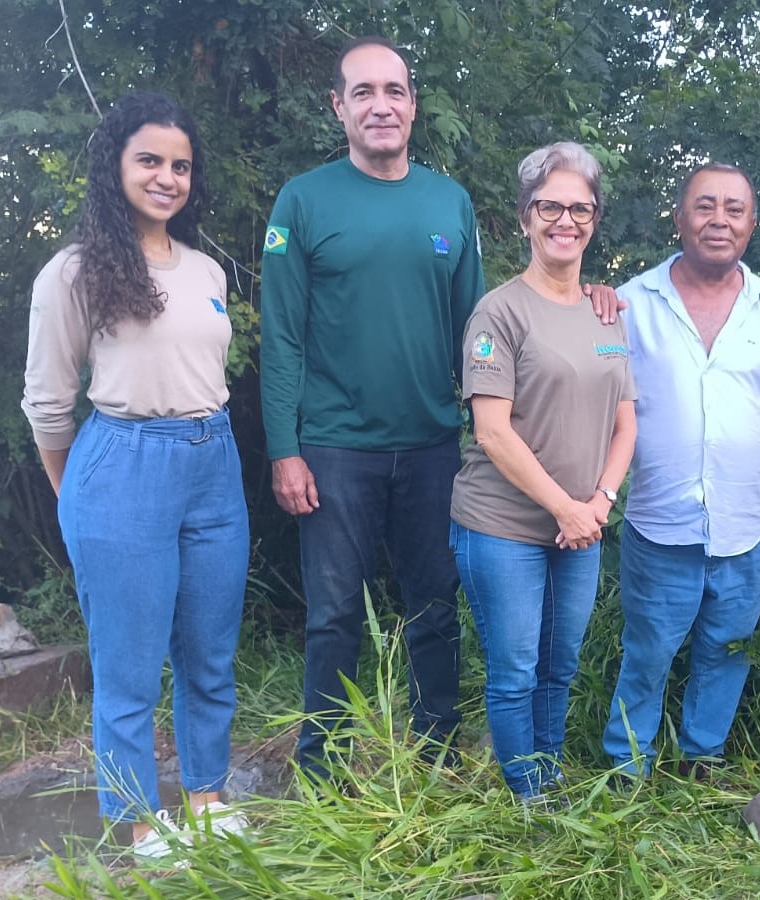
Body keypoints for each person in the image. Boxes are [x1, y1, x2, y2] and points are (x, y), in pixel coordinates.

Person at [22, 92, 249, 859]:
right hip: (122, 463)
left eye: (180, 165)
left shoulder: (206, 268)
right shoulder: (74, 273)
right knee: (128, 666)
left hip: (214, 463)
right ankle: (139, 820)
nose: (167, 177)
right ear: (115, 165)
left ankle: (208, 796)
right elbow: (48, 405)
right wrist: (73, 496)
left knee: (209, 650)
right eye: (149, 159)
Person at [259, 37, 484, 774]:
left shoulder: (448, 202)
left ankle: (438, 749)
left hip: (432, 444)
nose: (381, 105)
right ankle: (321, 763)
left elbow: (474, 331)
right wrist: (284, 447)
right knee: (333, 616)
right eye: (363, 92)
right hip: (332, 447)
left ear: (413, 105)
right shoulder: (303, 198)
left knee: (435, 607)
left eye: (394, 90)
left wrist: (484, 428)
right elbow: (283, 336)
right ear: (339, 107)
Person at [599, 163, 760, 780]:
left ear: (752, 225)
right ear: (679, 218)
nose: (718, 219)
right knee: (646, 653)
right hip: (658, 525)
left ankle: (703, 758)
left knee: (727, 653)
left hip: (747, 527)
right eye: (704, 206)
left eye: (734, 208)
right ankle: (627, 768)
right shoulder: (631, 304)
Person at [449, 142, 637, 803]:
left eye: (580, 207)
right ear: (526, 216)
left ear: (594, 217)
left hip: (581, 526)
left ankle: (548, 775)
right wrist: (566, 509)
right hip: (504, 527)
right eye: (550, 206)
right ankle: (529, 799)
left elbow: (626, 421)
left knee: (561, 667)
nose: (566, 219)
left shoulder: (605, 310)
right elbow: (492, 432)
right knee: (516, 671)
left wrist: (599, 503)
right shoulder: (499, 312)